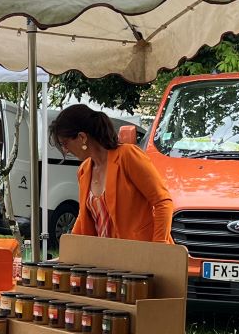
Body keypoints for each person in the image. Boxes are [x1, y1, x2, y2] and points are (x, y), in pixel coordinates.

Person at [50, 103, 174, 243]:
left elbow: (163, 202)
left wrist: (159, 246)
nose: (65, 150)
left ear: (82, 137)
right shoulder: (84, 170)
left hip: (143, 256)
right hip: (107, 258)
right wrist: (70, 248)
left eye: (65, 143)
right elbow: (84, 217)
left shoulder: (127, 156)